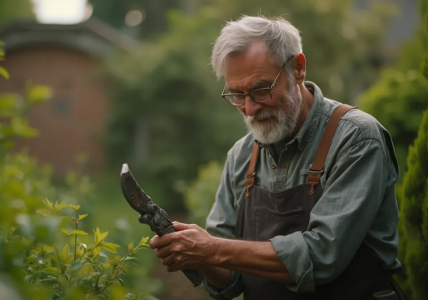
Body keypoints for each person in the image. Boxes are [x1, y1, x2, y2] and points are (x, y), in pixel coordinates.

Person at [149, 15, 405, 300]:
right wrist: (197, 255)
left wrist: (213, 249)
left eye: (260, 90)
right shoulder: (241, 156)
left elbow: (323, 256)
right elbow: (229, 280)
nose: (249, 108)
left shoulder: (356, 138)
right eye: (236, 94)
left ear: (298, 69)